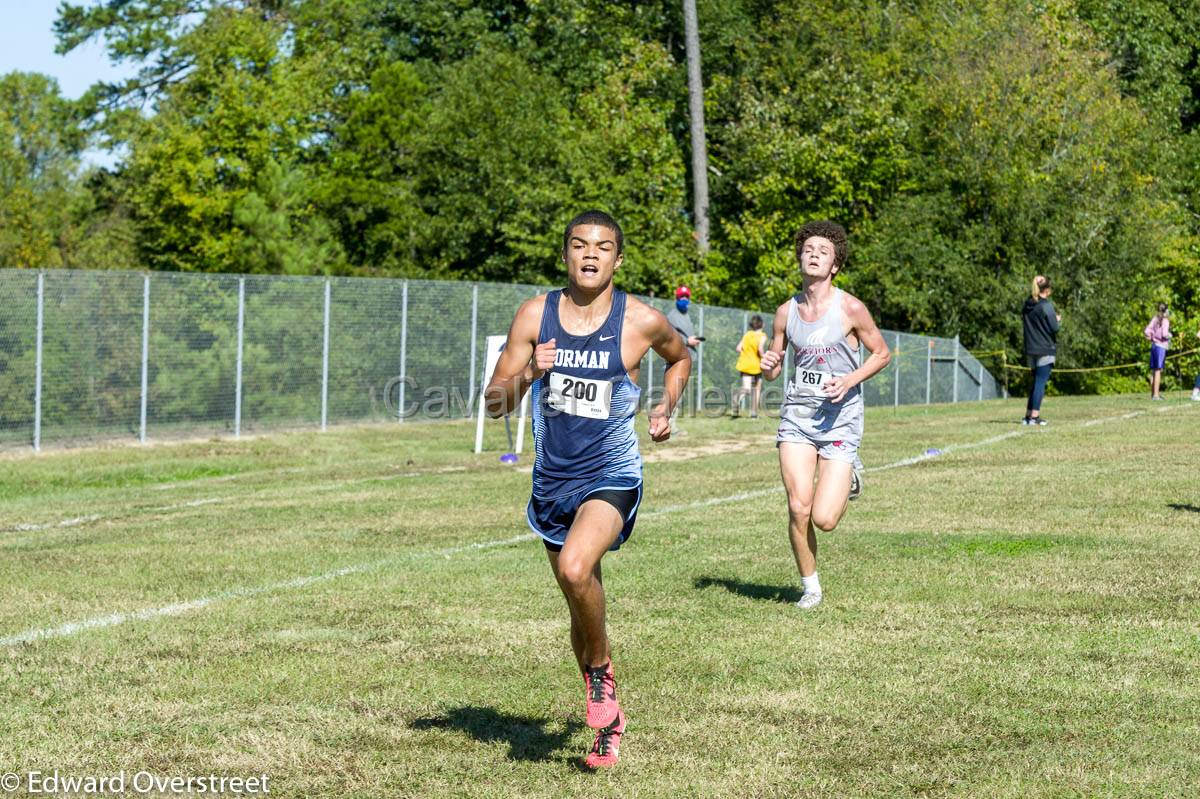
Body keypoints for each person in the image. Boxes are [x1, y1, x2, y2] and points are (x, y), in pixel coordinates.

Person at [484, 210, 691, 768]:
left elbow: (680, 358)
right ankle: (608, 722)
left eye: (603, 247)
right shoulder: (535, 315)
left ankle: (601, 678)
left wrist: (666, 405)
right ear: (566, 254)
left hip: (612, 474)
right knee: (581, 607)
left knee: (577, 569)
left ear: (617, 259)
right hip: (553, 483)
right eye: (580, 245)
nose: (591, 254)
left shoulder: (640, 320)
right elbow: (493, 401)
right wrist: (529, 374)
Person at [759, 220, 890, 610]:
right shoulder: (786, 312)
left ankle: (850, 472)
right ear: (800, 257)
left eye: (823, 251)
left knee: (825, 519)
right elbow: (776, 366)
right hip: (798, 416)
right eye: (809, 249)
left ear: (834, 265)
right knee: (798, 506)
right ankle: (810, 587)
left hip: (841, 418)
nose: (814, 254)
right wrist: (768, 365)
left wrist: (850, 379)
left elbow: (882, 354)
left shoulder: (849, 307)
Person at [1021, 275, 1060, 425]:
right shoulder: (1046, 306)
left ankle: (1028, 415)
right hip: (1045, 348)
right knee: (1040, 382)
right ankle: (1034, 417)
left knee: (1035, 382)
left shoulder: (1027, 305)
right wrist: (1056, 320)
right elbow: (1054, 328)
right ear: (1048, 290)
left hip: (1031, 348)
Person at [665, 286, 701, 431]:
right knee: (674, 394)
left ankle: (671, 425)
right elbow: (669, 337)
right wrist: (687, 341)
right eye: (682, 297)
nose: (684, 300)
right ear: (677, 298)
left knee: (679, 396)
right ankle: (667, 425)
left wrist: (691, 340)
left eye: (686, 297)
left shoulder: (687, 314)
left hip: (687, 359)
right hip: (676, 360)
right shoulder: (672, 316)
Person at [731, 315, 767, 418]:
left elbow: (738, 348)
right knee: (757, 389)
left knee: (746, 389)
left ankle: (736, 397)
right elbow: (760, 348)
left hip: (745, 365)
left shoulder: (747, 334)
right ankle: (754, 414)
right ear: (762, 324)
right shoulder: (762, 335)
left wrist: (747, 354)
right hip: (756, 366)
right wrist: (764, 357)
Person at [1143, 303, 1171, 400]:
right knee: (1158, 370)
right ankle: (1155, 395)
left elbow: (1146, 331)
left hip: (1154, 346)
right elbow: (1164, 334)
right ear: (1165, 310)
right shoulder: (1165, 320)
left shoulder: (1155, 319)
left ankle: (1154, 394)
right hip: (1161, 347)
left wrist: (1152, 338)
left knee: (1155, 370)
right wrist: (1170, 335)